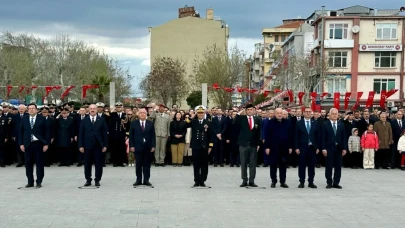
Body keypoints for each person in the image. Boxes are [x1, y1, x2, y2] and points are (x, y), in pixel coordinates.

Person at [18, 103, 51, 188]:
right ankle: (30, 181)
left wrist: (46, 144)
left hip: (39, 144)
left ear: (36, 110)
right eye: (29, 108)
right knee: (28, 163)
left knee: (39, 163)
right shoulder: (24, 119)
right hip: (28, 144)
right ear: (27, 110)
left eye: (33, 108)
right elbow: (21, 132)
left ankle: (39, 181)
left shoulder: (42, 119)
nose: (31, 110)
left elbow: (47, 132)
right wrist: (21, 144)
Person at [78, 104, 109, 187]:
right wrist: (80, 145)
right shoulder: (84, 120)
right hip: (87, 146)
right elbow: (81, 134)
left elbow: (105, 134)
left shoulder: (101, 120)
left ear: (97, 109)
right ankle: (88, 180)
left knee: (99, 164)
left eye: (94, 108)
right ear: (88, 110)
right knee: (87, 164)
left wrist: (105, 145)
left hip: (98, 146)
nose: (92, 110)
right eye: (91, 108)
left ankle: (97, 180)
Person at [234, 104, 261, 187]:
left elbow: (258, 132)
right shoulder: (241, 118)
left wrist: (258, 144)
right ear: (245, 111)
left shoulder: (257, 119)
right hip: (243, 143)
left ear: (254, 110)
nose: (250, 111)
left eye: (251, 109)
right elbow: (234, 123)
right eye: (248, 110)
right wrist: (239, 113)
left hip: (253, 144)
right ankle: (244, 180)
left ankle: (252, 180)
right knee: (243, 162)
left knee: (252, 163)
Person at [265, 108, 293, 188]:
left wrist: (290, 146)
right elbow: (267, 136)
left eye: (281, 113)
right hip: (273, 147)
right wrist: (267, 147)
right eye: (278, 113)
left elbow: (291, 135)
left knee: (283, 166)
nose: (280, 114)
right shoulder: (270, 123)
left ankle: (283, 182)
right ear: (275, 114)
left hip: (284, 147)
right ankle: (273, 181)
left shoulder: (287, 122)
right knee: (273, 165)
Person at [186, 105, 213, 187]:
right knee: (196, 164)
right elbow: (186, 123)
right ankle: (196, 180)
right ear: (196, 114)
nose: (200, 114)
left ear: (204, 113)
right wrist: (193, 115)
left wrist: (210, 146)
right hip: (195, 146)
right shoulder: (194, 122)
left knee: (204, 165)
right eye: (199, 113)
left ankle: (203, 180)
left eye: (202, 113)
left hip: (204, 146)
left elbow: (211, 135)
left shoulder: (208, 122)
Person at [321, 108, 347, 189]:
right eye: (333, 114)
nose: (335, 115)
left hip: (339, 149)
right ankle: (329, 182)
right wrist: (323, 148)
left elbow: (344, 137)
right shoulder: (325, 124)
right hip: (329, 149)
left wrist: (344, 148)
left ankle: (336, 182)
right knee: (329, 166)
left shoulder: (341, 124)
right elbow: (323, 138)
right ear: (329, 115)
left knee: (338, 166)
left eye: (336, 114)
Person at [129, 108, 156, 186]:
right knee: (138, 164)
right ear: (138, 114)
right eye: (140, 113)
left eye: (144, 113)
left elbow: (153, 136)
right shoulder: (134, 123)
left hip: (148, 147)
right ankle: (138, 180)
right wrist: (131, 146)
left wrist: (153, 146)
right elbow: (131, 136)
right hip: (137, 147)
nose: (142, 114)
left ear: (146, 114)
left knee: (147, 164)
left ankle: (146, 180)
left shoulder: (150, 123)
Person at [294, 107, 320, 189]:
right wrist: (296, 147)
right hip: (302, 148)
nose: (308, 113)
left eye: (309, 112)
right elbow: (296, 136)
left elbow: (318, 136)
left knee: (312, 166)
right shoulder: (299, 123)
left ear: (311, 113)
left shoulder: (315, 123)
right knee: (302, 165)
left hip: (312, 148)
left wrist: (318, 147)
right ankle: (301, 182)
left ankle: (311, 182)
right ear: (303, 113)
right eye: (306, 112)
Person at [109, 102, 127, 167]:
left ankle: (121, 162)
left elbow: (127, 125)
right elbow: (110, 125)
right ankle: (115, 162)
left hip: (122, 134)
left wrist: (126, 135)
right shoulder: (112, 114)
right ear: (116, 108)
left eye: (120, 107)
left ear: (122, 108)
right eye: (117, 107)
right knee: (115, 148)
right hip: (115, 134)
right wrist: (111, 134)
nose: (118, 108)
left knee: (122, 148)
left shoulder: (125, 115)